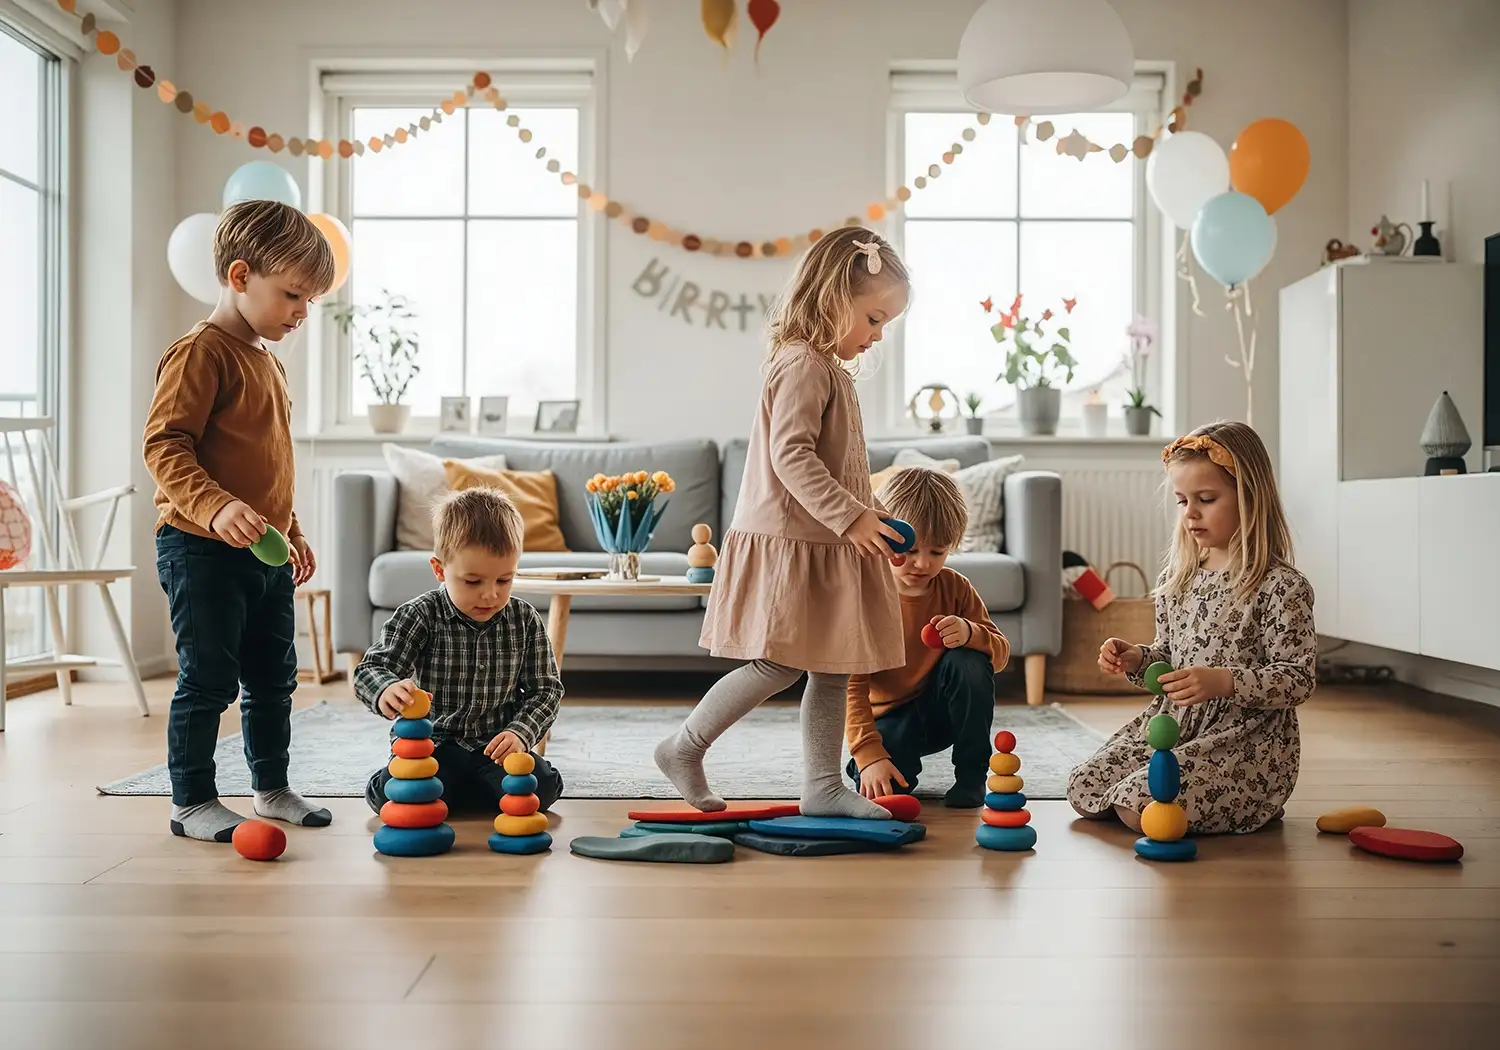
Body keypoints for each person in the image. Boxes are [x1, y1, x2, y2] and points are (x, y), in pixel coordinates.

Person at [653, 227, 911, 818]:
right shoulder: (802, 364)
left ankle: (822, 787)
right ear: (832, 298)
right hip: (795, 540)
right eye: (873, 319)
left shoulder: (826, 366)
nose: (876, 336)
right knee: (779, 662)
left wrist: (865, 515)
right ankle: (683, 748)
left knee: (832, 662)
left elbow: (835, 463)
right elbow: (790, 456)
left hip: (824, 538)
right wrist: (851, 517)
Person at [144, 199, 334, 842]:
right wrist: (216, 504)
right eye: (292, 295)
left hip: (263, 553)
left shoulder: (270, 363)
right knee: (208, 678)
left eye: (310, 301)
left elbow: (270, 468)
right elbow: (164, 445)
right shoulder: (201, 354)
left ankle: (271, 786)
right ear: (239, 274)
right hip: (199, 548)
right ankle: (191, 799)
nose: (302, 313)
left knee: (274, 676)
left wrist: (294, 530)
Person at [1067, 421, 1316, 835]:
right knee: (1083, 788)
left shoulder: (1282, 587)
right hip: (1173, 727)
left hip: (1244, 742)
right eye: (1183, 501)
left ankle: (1252, 799)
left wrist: (1224, 682)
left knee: (1139, 809)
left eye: (1206, 499)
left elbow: (1298, 679)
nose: (1190, 514)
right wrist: (1137, 658)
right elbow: (1168, 658)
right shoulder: (1179, 580)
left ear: (1250, 499)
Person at [357, 487, 564, 814]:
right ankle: (454, 793)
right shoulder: (420, 614)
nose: (490, 595)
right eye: (472, 582)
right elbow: (371, 669)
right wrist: (385, 689)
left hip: (496, 748)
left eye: (504, 580)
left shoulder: (524, 619)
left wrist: (520, 733)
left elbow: (546, 690)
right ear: (440, 570)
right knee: (396, 795)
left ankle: (456, 796)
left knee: (544, 786)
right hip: (435, 746)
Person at [844, 467, 1010, 808]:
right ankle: (865, 764)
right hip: (889, 718)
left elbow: (1000, 654)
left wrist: (970, 633)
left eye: (938, 552)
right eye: (912, 550)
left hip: (942, 713)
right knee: (889, 791)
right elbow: (850, 687)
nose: (922, 564)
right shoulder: (865, 595)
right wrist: (868, 754)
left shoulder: (955, 587)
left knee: (969, 660)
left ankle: (971, 776)